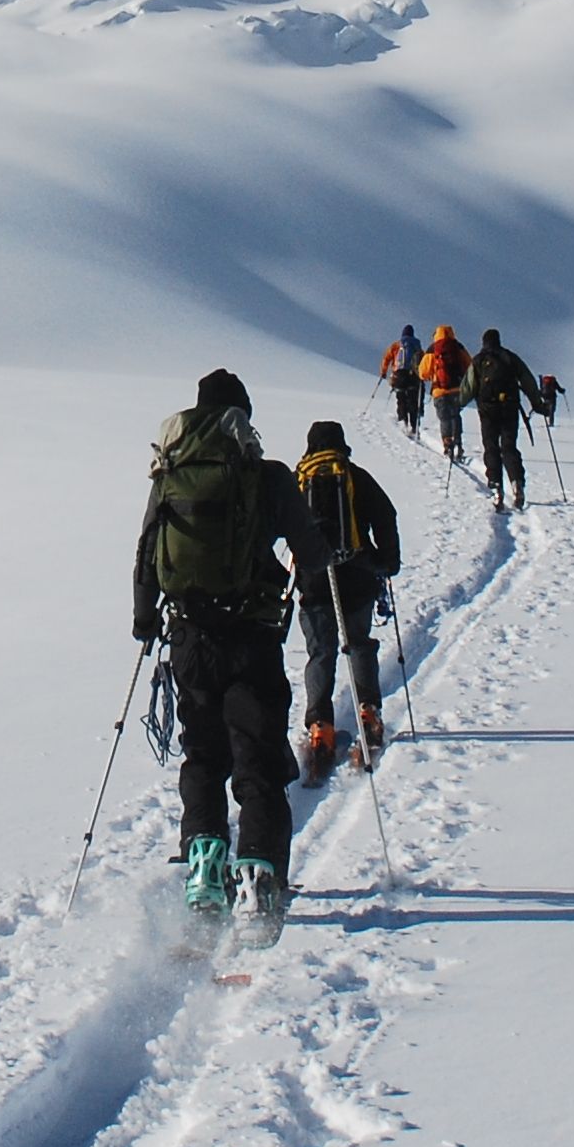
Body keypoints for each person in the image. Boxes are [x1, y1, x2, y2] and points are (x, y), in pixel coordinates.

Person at [132, 369, 331, 940]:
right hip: (252, 635)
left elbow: (147, 549)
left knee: (203, 754)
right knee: (259, 757)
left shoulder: (169, 473)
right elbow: (311, 552)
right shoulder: (264, 475)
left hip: (190, 637)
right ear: (243, 417)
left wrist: (146, 621)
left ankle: (204, 869)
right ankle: (260, 877)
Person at [291, 420, 402, 778]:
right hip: (356, 575)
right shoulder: (354, 476)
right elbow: (386, 516)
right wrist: (387, 561)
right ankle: (368, 711)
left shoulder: (298, 479)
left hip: (314, 581)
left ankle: (320, 727)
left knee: (320, 652)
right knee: (358, 643)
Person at [469, 327, 538, 511]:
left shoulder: (478, 360)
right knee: (508, 447)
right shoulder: (510, 357)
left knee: (491, 447)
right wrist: (538, 404)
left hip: (487, 411)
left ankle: (497, 487)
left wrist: (457, 404)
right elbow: (528, 380)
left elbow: (468, 387)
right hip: (509, 408)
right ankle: (516, 483)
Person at [421, 322, 472, 463]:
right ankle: (458, 444)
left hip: (439, 390)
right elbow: (470, 365)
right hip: (457, 389)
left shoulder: (432, 349)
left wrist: (429, 376)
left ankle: (447, 444)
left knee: (444, 418)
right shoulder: (458, 346)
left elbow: (423, 372)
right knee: (455, 415)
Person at [380, 326, 424, 439]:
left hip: (399, 375)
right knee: (413, 400)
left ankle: (403, 421)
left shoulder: (396, 345)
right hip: (413, 376)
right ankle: (414, 426)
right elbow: (423, 361)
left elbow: (387, 358)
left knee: (401, 398)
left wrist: (383, 372)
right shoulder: (417, 346)